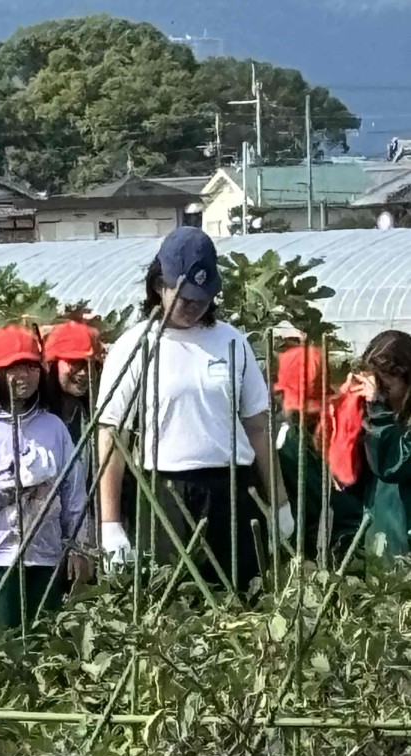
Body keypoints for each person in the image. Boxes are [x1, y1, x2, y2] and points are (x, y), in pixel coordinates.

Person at [97, 227, 292, 589]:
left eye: (202, 299)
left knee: (240, 597)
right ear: (160, 285)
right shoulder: (134, 346)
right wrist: (110, 524)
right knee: (174, 601)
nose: (193, 307)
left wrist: (279, 503)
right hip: (165, 494)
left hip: (231, 492)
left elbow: (257, 426)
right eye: (185, 298)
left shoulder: (231, 341)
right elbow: (112, 435)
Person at [0, 324, 90, 628]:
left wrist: (78, 546)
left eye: (31, 367)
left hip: (45, 554)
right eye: (14, 368)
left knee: (45, 640)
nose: (25, 376)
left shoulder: (52, 427)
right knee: (1, 642)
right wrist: (16, 483)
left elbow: (73, 495)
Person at [275, 343, 363, 561]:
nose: (306, 416)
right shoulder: (285, 443)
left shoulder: (348, 427)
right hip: (320, 544)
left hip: (345, 540)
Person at [336, 330, 411, 560]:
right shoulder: (381, 419)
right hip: (381, 547)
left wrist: (378, 407)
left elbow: (392, 464)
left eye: (386, 389)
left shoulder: (385, 419)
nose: (382, 397)